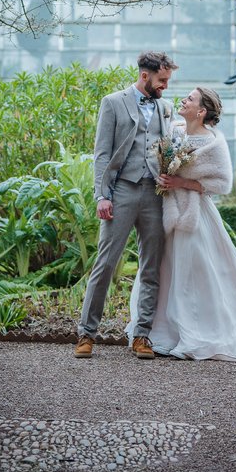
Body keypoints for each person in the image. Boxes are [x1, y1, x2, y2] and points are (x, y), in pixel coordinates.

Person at [129, 86, 236, 363]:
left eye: (190, 99)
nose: (184, 100)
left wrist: (181, 182)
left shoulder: (213, 142)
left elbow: (221, 184)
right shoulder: (173, 130)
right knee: (162, 269)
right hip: (167, 211)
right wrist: (163, 178)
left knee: (196, 271)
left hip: (195, 216)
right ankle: (158, 332)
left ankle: (198, 330)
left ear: (201, 111)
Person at [74, 51, 178, 360]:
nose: (165, 86)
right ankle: (86, 333)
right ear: (145, 76)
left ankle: (142, 335)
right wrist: (102, 195)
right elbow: (102, 153)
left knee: (151, 266)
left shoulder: (166, 107)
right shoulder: (112, 103)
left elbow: (167, 149)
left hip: (154, 195)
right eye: (162, 80)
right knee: (105, 263)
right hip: (121, 192)